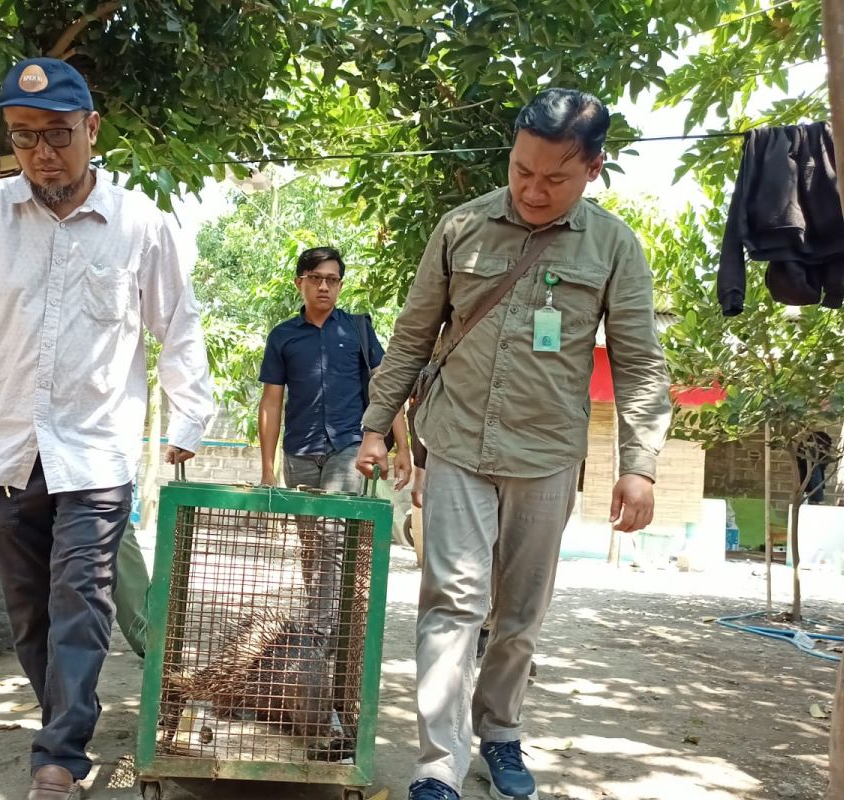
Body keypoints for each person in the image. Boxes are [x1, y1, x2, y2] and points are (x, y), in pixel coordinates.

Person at [0, 57, 213, 800]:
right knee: (28, 609)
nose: (43, 153)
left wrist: (189, 413)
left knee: (81, 597)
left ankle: (61, 755)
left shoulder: (140, 225)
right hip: (5, 452)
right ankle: (62, 719)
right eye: (25, 136)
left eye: (59, 134)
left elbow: (178, 326)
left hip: (95, 454)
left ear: (92, 129)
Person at [356, 89, 671, 800]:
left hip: (548, 455)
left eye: (554, 177)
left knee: (518, 617)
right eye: (521, 169)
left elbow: (639, 361)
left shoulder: (614, 246)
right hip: (459, 442)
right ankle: (438, 762)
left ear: (593, 169)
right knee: (452, 603)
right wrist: (377, 425)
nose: (532, 189)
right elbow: (411, 338)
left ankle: (499, 732)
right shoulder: (461, 227)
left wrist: (639, 466)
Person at [258, 247, 411, 634]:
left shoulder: (356, 330)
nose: (324, 286)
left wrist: (404, 448)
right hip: (300, 451)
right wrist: (267, 468)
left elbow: (385, 389)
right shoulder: (283, 337)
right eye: (316, 278)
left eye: (332, 279)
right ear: (300, 284)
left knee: (331, 533)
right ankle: (329, 621)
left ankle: (320, 630)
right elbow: (271, 402)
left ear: (340, 285)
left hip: (349, 446)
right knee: (312, 543)